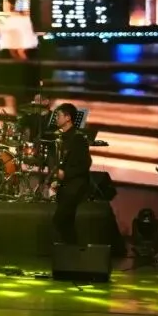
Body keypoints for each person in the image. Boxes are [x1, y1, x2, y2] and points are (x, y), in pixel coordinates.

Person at [49, 103, 92, 245]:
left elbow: (85, 164)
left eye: (58, 115)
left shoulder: (78, 138)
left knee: (60, 220)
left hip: (76, 185)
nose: (56, 118)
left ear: (68, 118)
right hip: (66, 185)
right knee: (66, 222)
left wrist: (65, 174)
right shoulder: (61, 138)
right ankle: (70, 250)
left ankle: (72, 248)